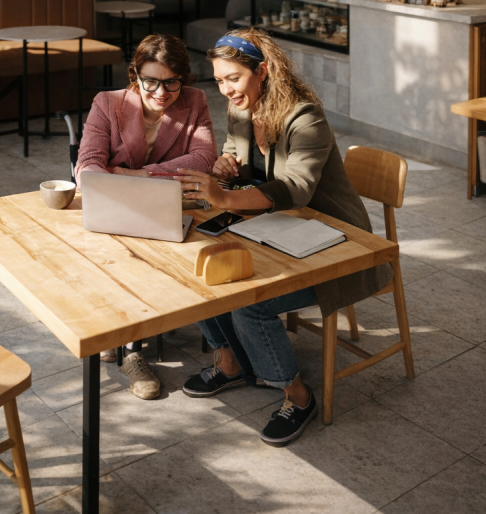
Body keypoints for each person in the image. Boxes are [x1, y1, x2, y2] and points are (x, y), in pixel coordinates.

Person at [172, 29, 392, 447]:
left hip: (337, 244)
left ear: (263, 71)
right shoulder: (243, 108)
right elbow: (235, 153)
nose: (226, 89)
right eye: (219, 80)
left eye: (233, 78)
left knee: (250, 304)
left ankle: (298, 396)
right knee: (198, 276)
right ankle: (230, 362)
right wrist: (226, 166)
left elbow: (297, 189)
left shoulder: (305, 117)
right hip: (281, 231)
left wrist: (225, 197)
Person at [77, 33, 217, 400]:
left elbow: (204, 159)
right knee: (126, 256)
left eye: (171, 82)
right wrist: (118, 184)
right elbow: (88, 164)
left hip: (167, 209)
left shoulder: (195, 101)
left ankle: (123, 340)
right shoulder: (108, 103)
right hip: (115, 207)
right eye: (150, 81)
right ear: (135, 75)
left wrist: (136, 175)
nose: (161, 92)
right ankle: (130, 352)